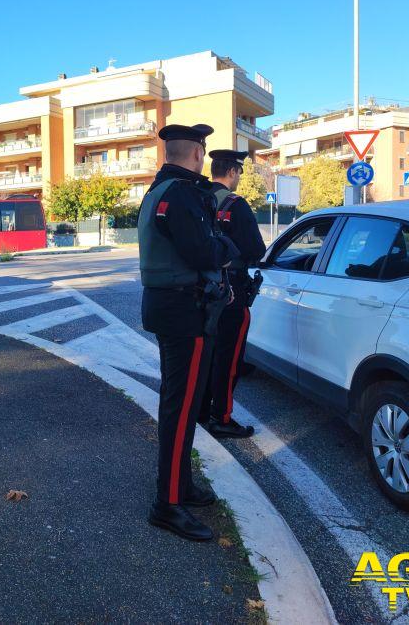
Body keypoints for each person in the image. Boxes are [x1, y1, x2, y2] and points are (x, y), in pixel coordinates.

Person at [139, 124, 239, 541]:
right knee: (181, 410)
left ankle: (180, 487)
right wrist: (229, 251)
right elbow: (205, 250)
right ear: (197, 154)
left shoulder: (158, 191)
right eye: (202, 151)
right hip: (186, 311)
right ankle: (168, 504)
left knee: (178, 403)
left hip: (171, 308)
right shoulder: (181, 194)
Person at [199, 150, 267, 439]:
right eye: (239, 173)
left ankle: (201, 411)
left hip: (201, 290)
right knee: (229, 359)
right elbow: (256, 251)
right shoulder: (235, 205)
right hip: (232, 292)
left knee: (206, 355)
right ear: (233, 172)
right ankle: (222, 417)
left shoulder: (199, 199)